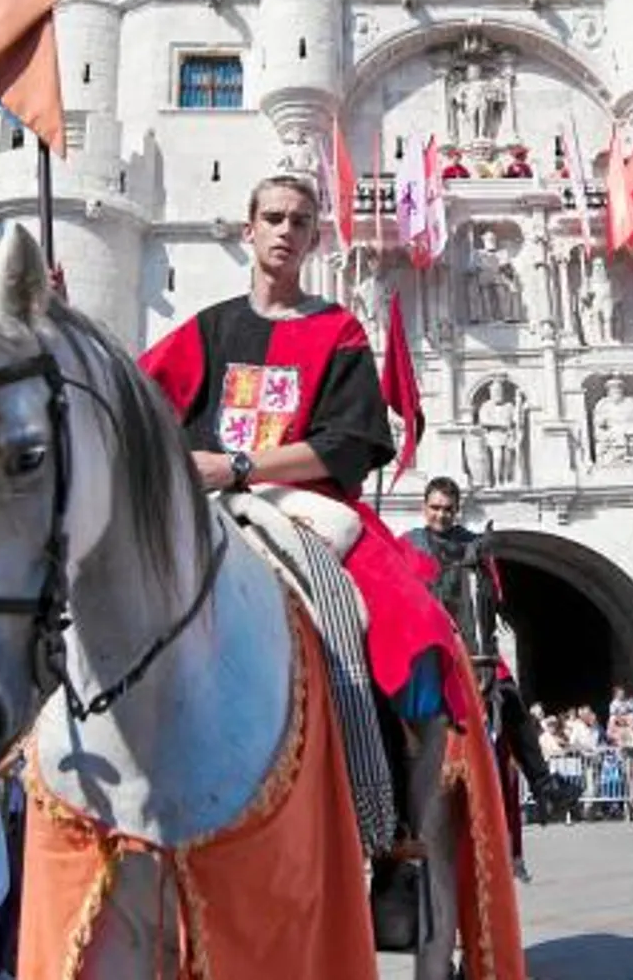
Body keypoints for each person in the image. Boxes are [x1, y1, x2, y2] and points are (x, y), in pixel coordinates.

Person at [138, 174, 473, 939]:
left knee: (370, 624)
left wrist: (242, 467)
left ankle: (384, 822)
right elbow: (134, 394)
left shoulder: (338, 330)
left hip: (301, 507)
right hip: (201, 507)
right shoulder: (208, 329)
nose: (285, 231)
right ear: (247, 230)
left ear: (315, 238)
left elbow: (348, 445)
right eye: (273, 218)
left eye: (300, 221)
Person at [403, 476, 581, 817]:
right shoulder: (409, 545)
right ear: (424, 508)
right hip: (428, 640)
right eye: (435, 508)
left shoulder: (473, 544)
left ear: (457, 511)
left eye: (448, 509)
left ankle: (544, 785)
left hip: (473, 643)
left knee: (510, 694)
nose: (440, 515)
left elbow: (490, 598)